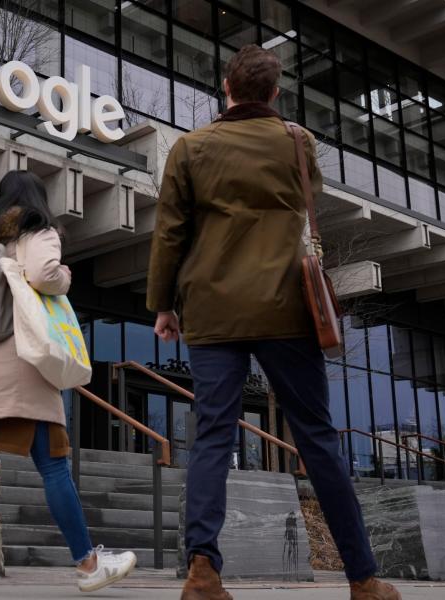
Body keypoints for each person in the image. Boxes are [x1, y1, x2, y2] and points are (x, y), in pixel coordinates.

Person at [146, 45, 401, 600]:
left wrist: (163, 306)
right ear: (275, 93)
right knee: (317, 439)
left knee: (212, 437)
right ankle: (362, 579)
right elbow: (313, 195)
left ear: (225, 87)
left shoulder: (190, 147)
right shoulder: (296, 140)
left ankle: (202, 573)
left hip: (212, 308)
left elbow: (170, 232)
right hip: (287, 306)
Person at [0, 170, 137, 595]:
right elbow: (43, 274)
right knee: (54, 464)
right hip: (22, 368)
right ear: (36, 199)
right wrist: (66, 279)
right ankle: (90, 566)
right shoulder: (36, 228)